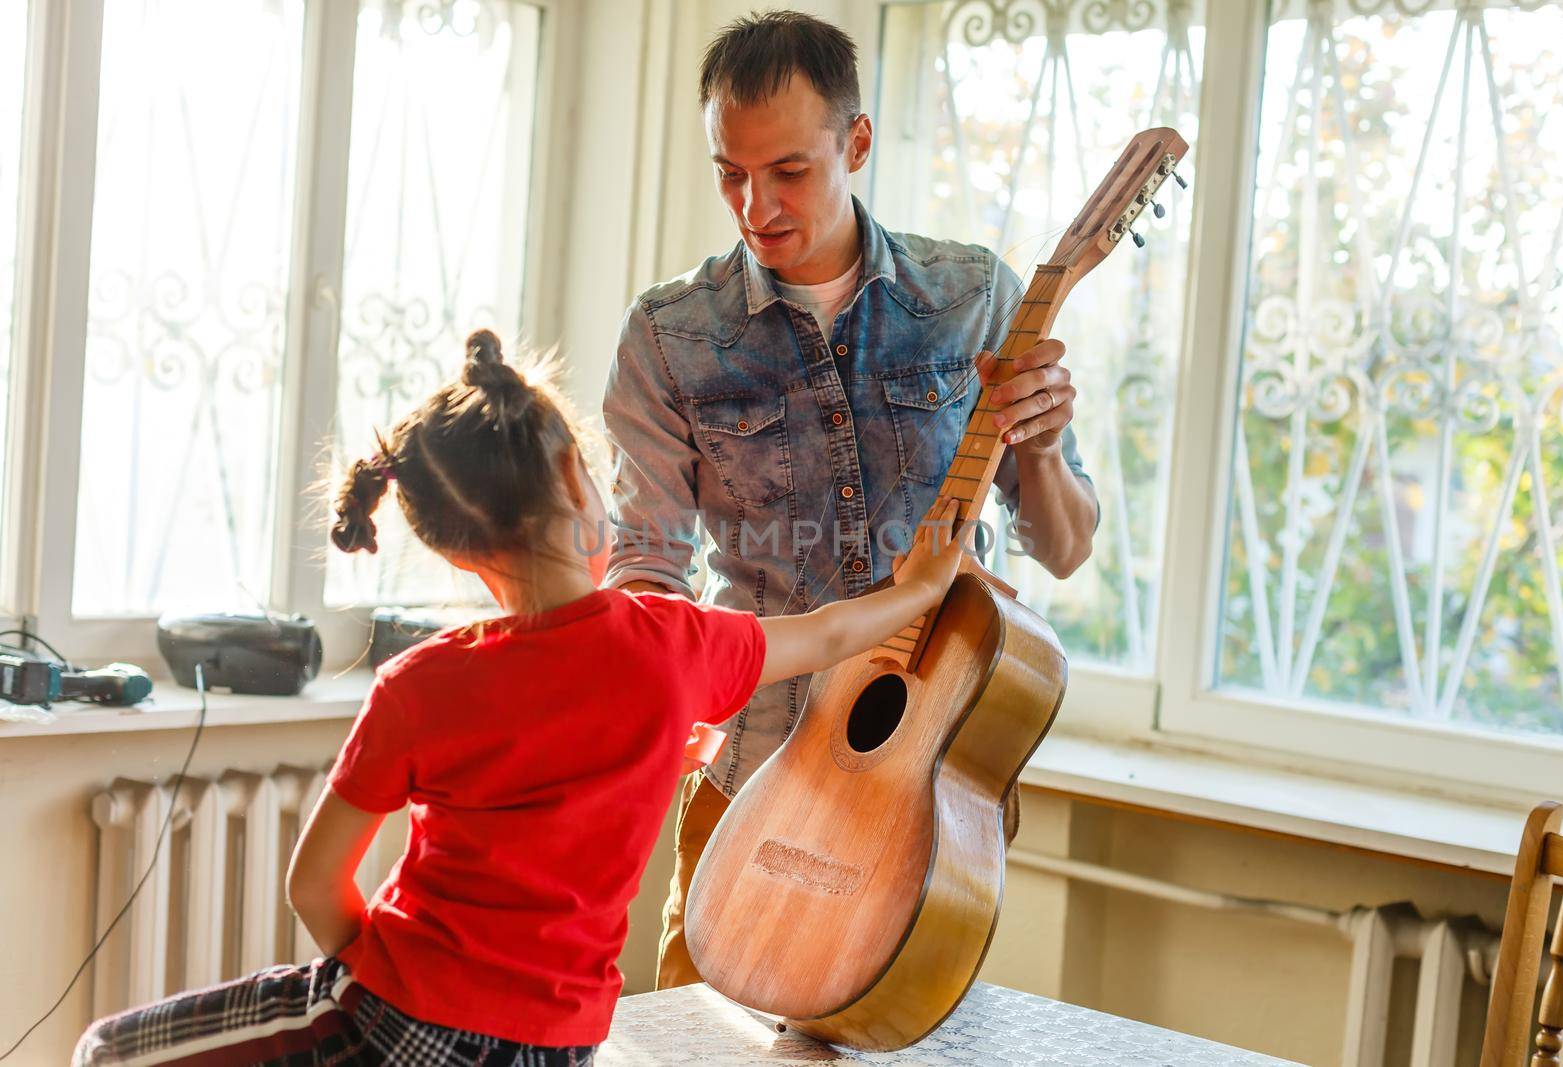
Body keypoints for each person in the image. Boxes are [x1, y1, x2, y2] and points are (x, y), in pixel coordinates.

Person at [72, 329, 969, 1066]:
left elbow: (315, 885)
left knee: (106, 1052)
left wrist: (402, 991)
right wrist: (920, 591)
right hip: (559, 1047)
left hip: (401, 1012)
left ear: (456, 550)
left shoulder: (421, 685)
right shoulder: (676, 645)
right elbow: (825, 635)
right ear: (580, 480)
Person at [601, 11, 1101, 990]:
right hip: (743, 779)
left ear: (856, 142)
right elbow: (643, 559)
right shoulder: (670, 334)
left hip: (926, 803)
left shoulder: (974, 300)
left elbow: (1063, 544)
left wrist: (1037, 443)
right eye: (729, 172)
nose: (755, 204)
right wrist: (656, 679)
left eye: (787, 170)